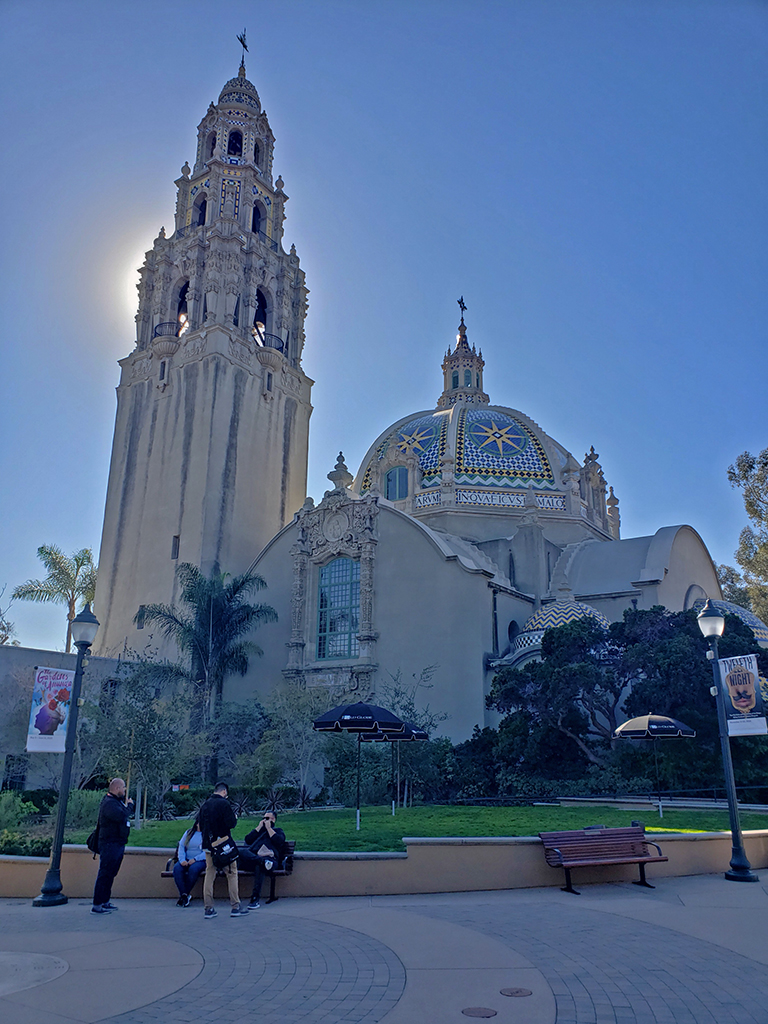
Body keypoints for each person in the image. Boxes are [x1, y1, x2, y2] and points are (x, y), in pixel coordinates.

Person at [198, 782, 248, 918]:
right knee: (232, 873)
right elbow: (231, 823)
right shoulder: (224, 804)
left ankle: (208, 908)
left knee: (210, 874)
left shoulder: (205, 805)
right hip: (223, 845)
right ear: (224, 792)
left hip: (208, 845)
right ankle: (235, 906)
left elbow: (200, 825)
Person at [91, 778, 134, 915]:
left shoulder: (116, 802)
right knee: (105, 874)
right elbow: (121, 816)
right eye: (123, 787)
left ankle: (105, 901)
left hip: (118, 843)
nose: (125, 790)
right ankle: (97, 905)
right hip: (109, 844)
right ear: (117, 788)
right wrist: (130, 806)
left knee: (111, 874)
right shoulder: (109, 803)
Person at [238, 811, 287, 910]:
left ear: (273, 820)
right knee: (241, 851)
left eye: (267, 818)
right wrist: (258, 827)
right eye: (263, 818)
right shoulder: (259, 832)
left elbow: (279, 841)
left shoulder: (278, 831)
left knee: (259, 867)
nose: (265, 820)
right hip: (256, 859)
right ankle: (261, 861)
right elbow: (248, 840)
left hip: (270, 860)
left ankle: (254, 899)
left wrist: (269, 828)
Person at [172, 818, 206, 906]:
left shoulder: (207, 834)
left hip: (200, 860)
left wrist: (195, 859)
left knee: (193, 869)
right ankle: (184, 895)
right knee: (177, 869)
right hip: (186, 859)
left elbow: (208, 851)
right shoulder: (189, 833)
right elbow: (181, 846)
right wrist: (182, 860)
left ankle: (184, 895)